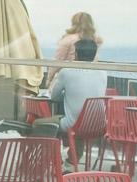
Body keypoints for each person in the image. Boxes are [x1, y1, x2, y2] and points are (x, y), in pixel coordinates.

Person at [39, 39, 106, 167]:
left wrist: (68, 93)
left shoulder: (67, 71)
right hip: (99, 125)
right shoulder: (103, 72)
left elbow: (55, 96)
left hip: (74, 124)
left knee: (40, 124)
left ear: (75, 54)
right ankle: (70, 163)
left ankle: (51, 162)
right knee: (78, 124)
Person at [45, 12, 102, 89]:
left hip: (67, 81)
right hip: (89, 82)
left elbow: (57, 62)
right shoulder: (96, 41)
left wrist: (49, 79)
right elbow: (94, 61)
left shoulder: (68, 40)